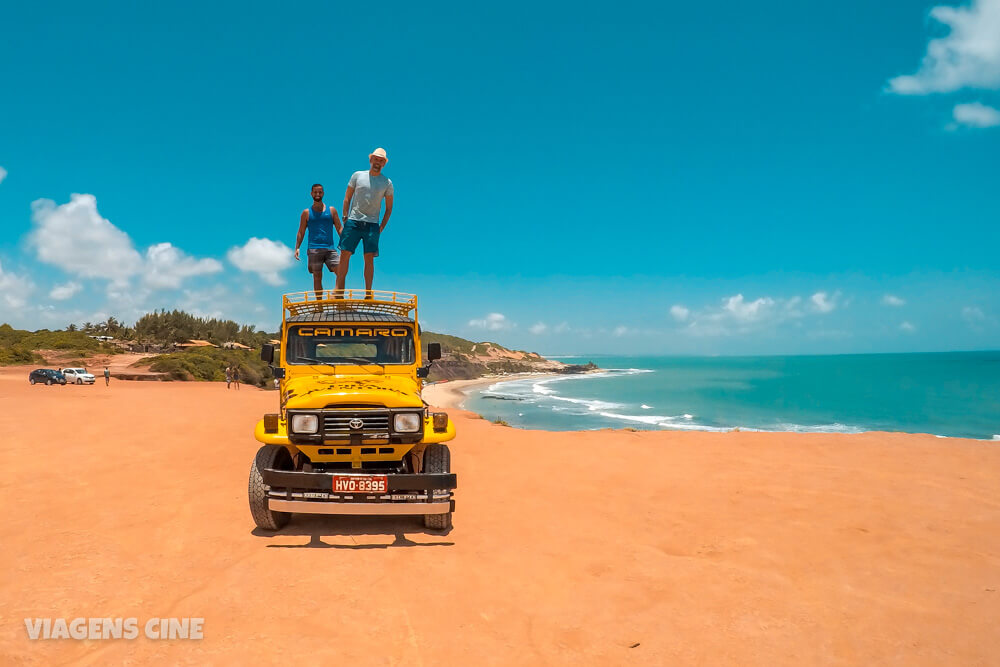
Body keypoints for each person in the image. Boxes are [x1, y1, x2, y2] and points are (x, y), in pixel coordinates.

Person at [336, 148, 394, 297]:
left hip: (372, 224)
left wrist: (381, 227)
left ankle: (368, 293)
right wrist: (345, 217)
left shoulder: (387, 183)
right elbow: (347, 197)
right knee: (344, 254)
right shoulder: (357, 175)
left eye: (381, 160)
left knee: (369, 258)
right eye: (376, 159)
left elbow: (389, 208)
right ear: (370, 160)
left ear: (384, 164)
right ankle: (338, 290)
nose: (378, 162)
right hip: (353, 221)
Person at [295, 184, 343, 298]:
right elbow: (301, 231)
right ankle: (319, 305)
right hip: (314, 248)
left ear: (323, 193)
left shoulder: (332, 210)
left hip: (330, 248)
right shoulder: (306, 213)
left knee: (341, 272)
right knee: (317, 277)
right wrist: (297, 247)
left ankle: (338, 298)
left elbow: (339, 228)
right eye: (315, 192)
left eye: (320, 192)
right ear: (311, 193)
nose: (318, 194)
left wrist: (346, 242)